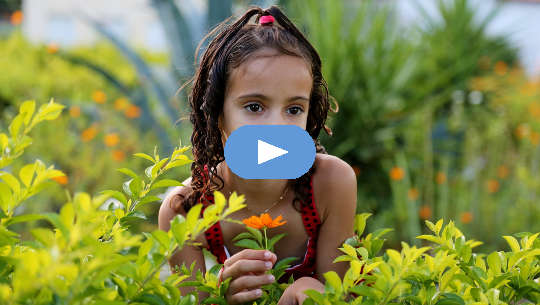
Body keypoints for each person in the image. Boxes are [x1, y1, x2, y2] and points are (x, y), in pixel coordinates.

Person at [158, 5, 357, 305]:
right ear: (218, 115)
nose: (276, 126)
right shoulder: (185, 211)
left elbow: (345, 296)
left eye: (294, 109)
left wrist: (311, 289)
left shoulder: (331, 184)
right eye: (254, 106)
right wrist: (221, 298)